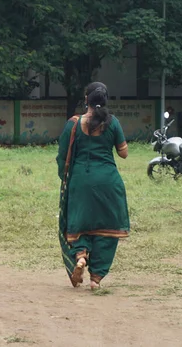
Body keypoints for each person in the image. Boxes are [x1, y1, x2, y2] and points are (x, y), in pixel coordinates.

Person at [56, 82, 130, 290]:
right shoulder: (112, 123)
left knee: (79, 223)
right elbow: (123, 153)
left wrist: (65, 179)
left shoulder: (73, 123)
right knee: (108, 230)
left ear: (86, 99)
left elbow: (62, 156)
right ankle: (96, 278)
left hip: (81, 181)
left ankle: (80, 256)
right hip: (108, 182)